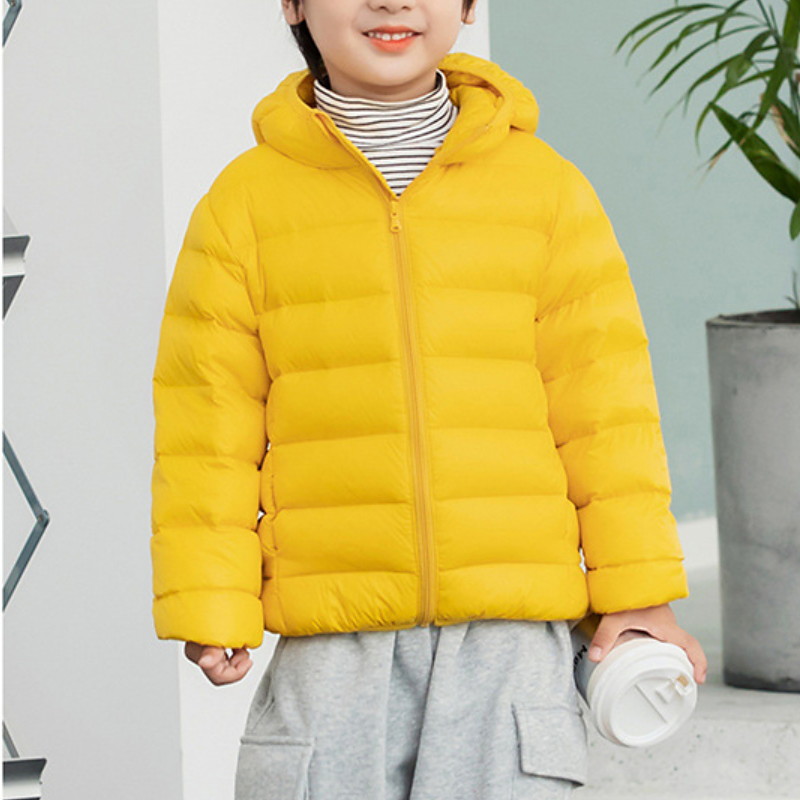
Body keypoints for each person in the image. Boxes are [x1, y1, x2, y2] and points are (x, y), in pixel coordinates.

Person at [150, 1, 709, 797]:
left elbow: (606, 409)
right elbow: (207, 425)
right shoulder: (242, 206)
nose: (392, 1)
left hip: (512, 640)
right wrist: (212, 595)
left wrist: (639, 590)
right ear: (294, 3)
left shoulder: (546, 191)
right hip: (331, 639)